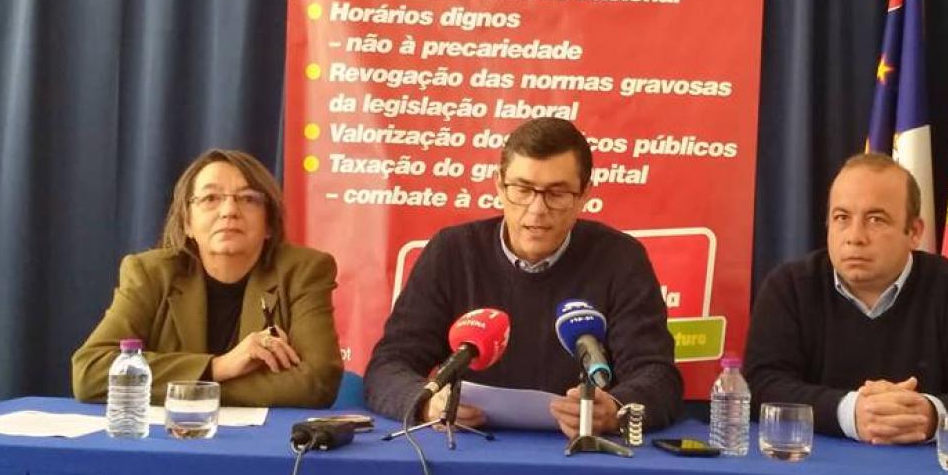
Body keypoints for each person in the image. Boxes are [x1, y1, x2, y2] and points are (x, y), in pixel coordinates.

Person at [365, 117, 682, 437]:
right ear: (499, 186)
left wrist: (614, 410)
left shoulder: (620, 259)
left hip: (579, 452)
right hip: (468, 447)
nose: (537, 209)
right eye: (522, 189)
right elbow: (388, 366)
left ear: (584, 194)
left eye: (557, 193)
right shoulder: (452, 252)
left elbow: (657, 376)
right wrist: (427, 403)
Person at [744, 153, 948, 444]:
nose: (855, 237)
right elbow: (761, 386)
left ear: (914, 232)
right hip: (817, 464)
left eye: (875, 220)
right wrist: (851, 412)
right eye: (842, 218)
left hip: (930, 467)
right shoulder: (789, 288)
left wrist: (930, 415)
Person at [72, 149, 343, 407]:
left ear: (269, 224)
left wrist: (196, 389)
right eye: (211, 198)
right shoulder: (151, 274)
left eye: (248, 198)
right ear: (187, 223)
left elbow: (318, 382)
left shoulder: (303, 271)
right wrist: (219, 367)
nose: (229, 211)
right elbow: (90, 373)